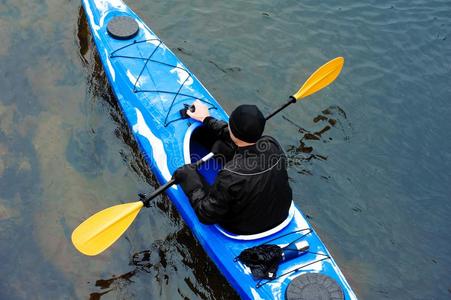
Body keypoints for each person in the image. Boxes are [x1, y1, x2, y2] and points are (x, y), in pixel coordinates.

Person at [173, 100, 292, 235]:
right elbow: (235, 136)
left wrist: (191, 181)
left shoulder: (230, 174)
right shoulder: (272, 144)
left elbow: (205, 215)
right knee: (225, 145)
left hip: (242, 227)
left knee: (190, 175)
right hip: (281, 213)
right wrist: (207, 119)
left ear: (231, 126)